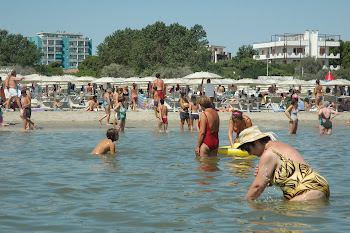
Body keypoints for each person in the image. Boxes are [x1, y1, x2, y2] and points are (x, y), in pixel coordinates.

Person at [238, 126, 330, 201]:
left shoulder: (268, 154)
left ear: (256, 142)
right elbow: (292, 176)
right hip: (318, 187)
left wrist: (245, 203)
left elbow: (258, 187)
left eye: (247, 149)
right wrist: (267, 178)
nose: (249, 153)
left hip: (309, 191)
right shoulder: (279, 146)